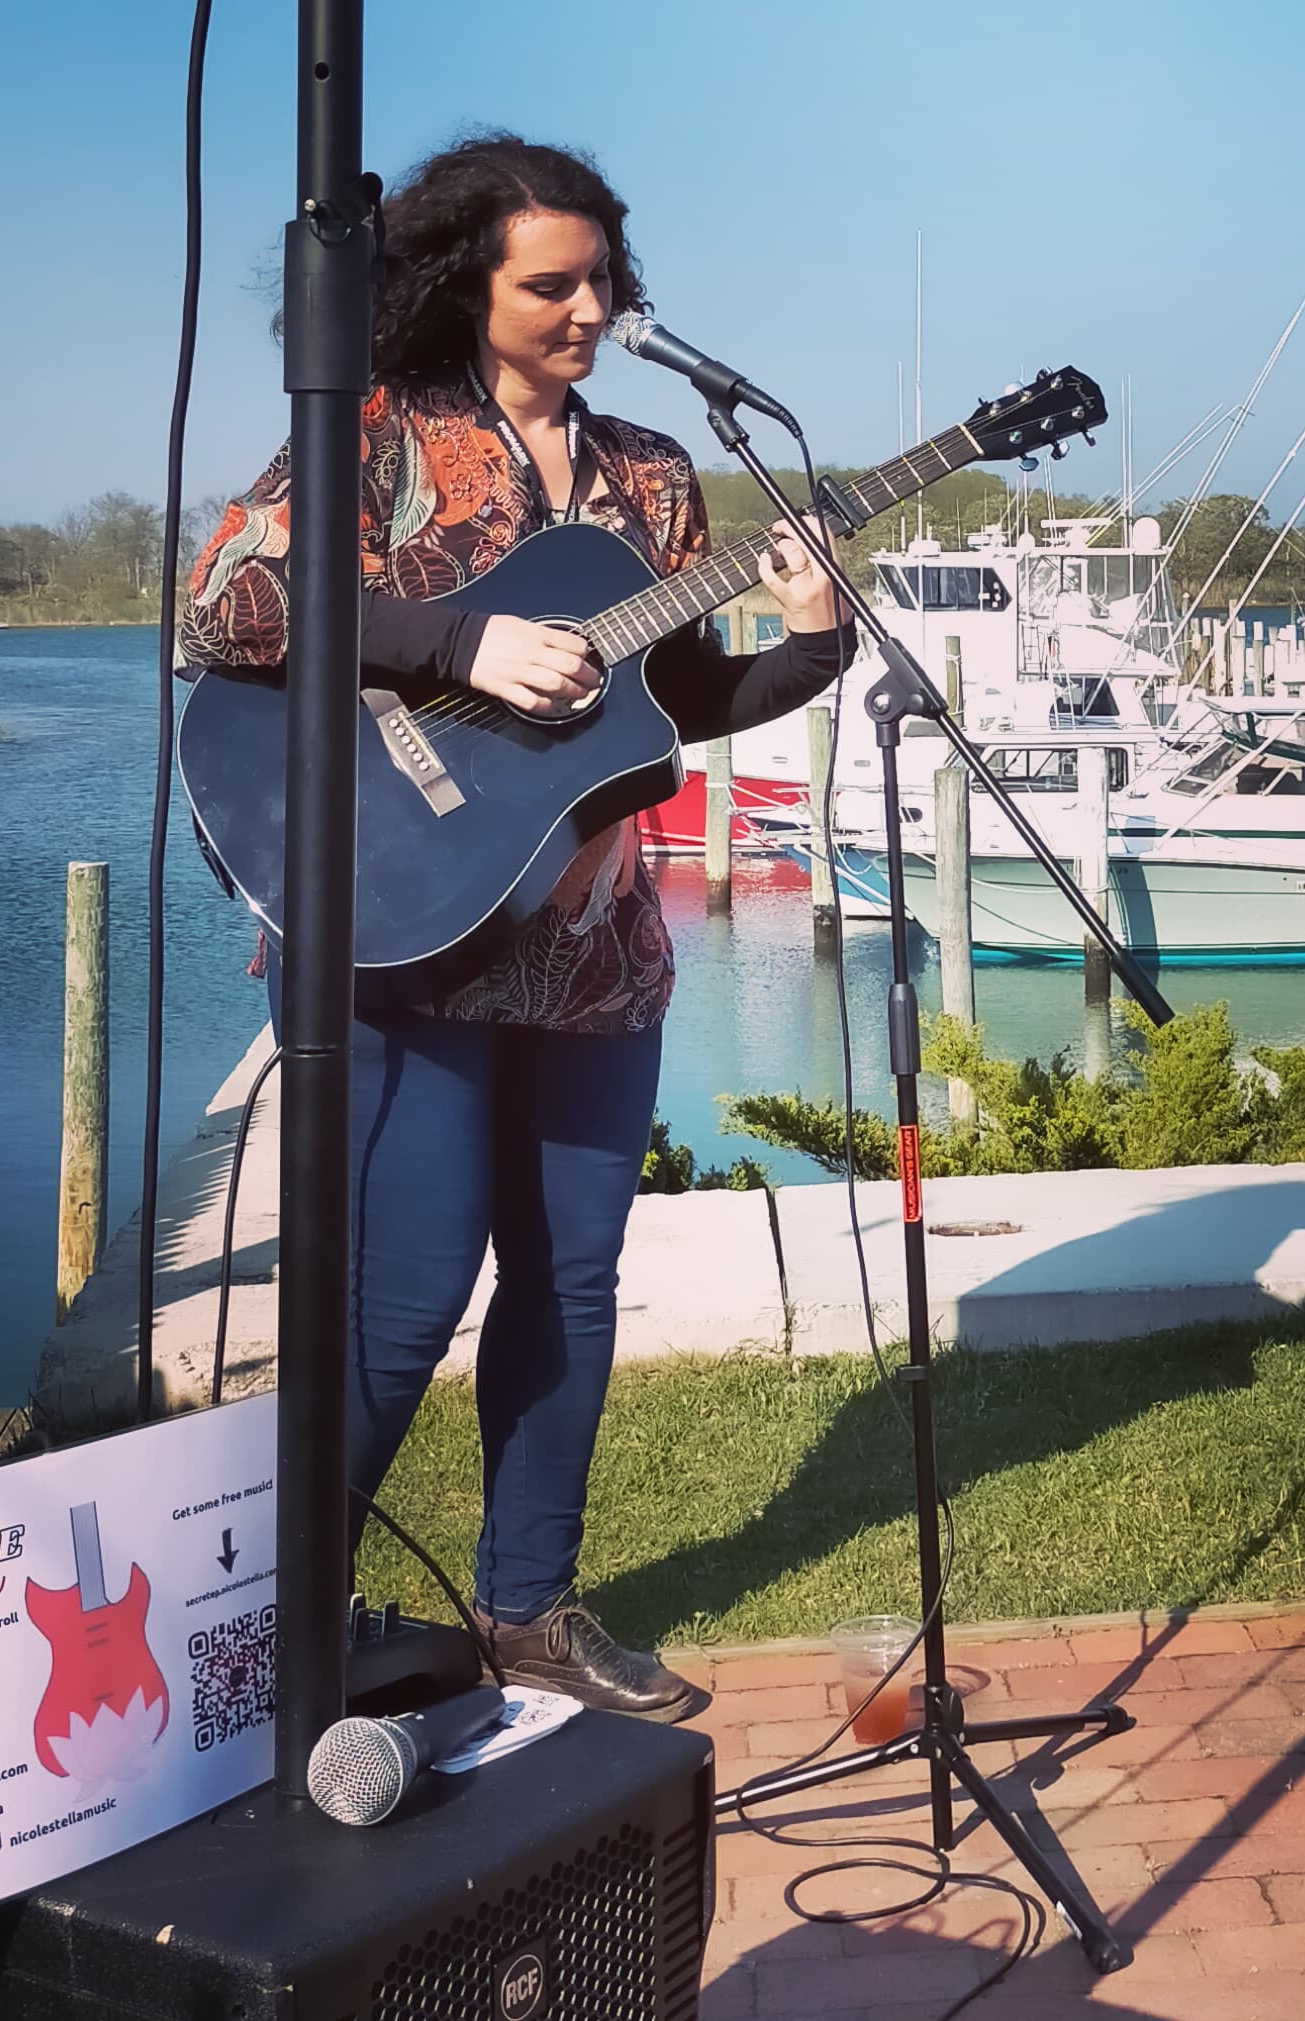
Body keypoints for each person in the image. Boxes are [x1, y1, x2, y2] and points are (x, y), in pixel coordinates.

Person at [178, 133, 850, 1721]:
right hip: (405, 926)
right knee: (408, 1289)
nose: (588, 311)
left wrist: (808, 644)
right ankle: (288, 1630)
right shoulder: (380, 439)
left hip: (591, 943)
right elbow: (231, 604)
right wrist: (461, 641)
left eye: (603, 282)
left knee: (573, 1278)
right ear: (458, 284)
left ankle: (530, 1610)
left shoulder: (654, 476)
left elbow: (676, 701)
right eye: (550, 284)